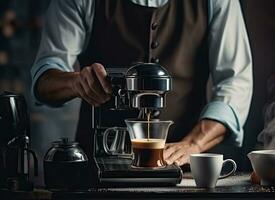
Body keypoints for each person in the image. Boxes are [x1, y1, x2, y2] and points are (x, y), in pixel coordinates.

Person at [31, 0, 253, 166]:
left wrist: (194, 144)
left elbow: (235, 82)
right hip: (96, 172)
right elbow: (44, 78)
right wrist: (76, 82)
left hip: (182, 171)